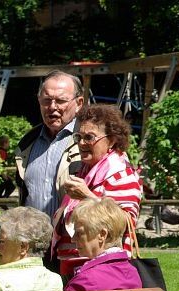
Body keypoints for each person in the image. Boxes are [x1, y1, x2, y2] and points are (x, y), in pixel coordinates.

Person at [51, 104, 142, 278]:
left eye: (89, 137)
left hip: (102, 271)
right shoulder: (84, 171)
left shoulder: (120, 175)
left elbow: (125, 223)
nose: (82, 143)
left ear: (112, 140)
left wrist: (87, 196)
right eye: (79, 137)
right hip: (74, 267)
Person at [15, 70, 84, 263]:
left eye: (61, 101)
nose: (52, 107)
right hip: (32, 250)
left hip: (74, 247)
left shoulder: (89, 142)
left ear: (78, 103)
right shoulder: (27, 143)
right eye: (46, 100)